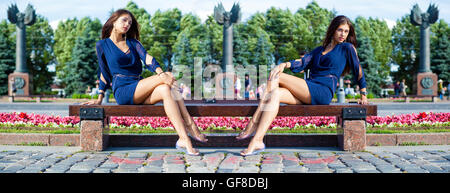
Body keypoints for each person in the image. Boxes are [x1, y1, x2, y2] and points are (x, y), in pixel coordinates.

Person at [237, 15, 368, 156]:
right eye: (340, 30)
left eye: (346, 31)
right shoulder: (319, 50)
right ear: (333, 30)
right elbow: (302, 62)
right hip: (309, 88)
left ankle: (253, 122)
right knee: (275, 94)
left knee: (277, 75)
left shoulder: (347, 48)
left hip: (323, 91)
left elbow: (357, 70)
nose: (343, 34)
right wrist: (285, 64)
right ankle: (257, 140)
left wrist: (363, 94)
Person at [82, 9, 206, 155]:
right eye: (124, 20)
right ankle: (191, 125)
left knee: (167, 89)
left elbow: (148, 58)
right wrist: (99, 98)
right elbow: (104, 72)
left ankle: (183, 139)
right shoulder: (102, 45)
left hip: (139, 87)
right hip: (123, 90)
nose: (127, 24)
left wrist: (160, 73)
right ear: (113, 21)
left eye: (130, 22)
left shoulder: (133, 43)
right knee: (169, 77)